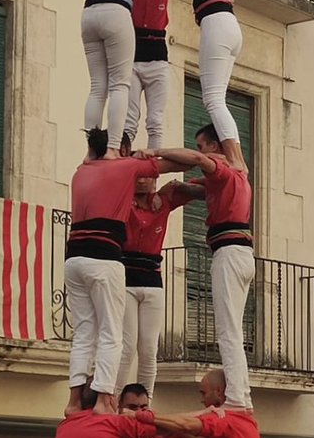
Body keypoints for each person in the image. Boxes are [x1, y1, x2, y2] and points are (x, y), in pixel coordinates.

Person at [64, 127, 183, 415]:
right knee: (112, 334)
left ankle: (73, 402)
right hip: (104, 258)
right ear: (122, 149)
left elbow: (93, 151)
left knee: (83, 333)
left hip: (74, 258)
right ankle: (106, 400)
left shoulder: (81, 171)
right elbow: (183, 162)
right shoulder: (125, 167)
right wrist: (154, 153)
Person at [143, 125, 254, 409]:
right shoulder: (236, 178)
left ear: (215, 147)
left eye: (203, 146)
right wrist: (172, 188)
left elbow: (194, 159)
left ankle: (237, 398)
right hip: (241, 254)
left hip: (228, 254)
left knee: (228, 332)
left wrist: (154, 153)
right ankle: (241, 394)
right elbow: (192, 189)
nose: (201, 152)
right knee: (233, 331)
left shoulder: (220, 166)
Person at [81, 0, 198, 153]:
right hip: (116, 13)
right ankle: (113, 149)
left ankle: (91, 151)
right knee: (119, 86)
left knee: (97, 87)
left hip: (90, 10)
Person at [159, 0, 248, 173]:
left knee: (213, 99)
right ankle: (237, 158)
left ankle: (235, 158)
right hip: (227, 24)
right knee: (216, 97)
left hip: (216, 23)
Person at [114, 175, 204, 398]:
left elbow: (206, 186)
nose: (143, 181)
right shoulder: (122, 201)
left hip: (153, 283)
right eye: (139, 176)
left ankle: (147, 403)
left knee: (149, 349)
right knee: (126, 346)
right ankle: (112, 401)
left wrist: (174, 184)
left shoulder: (163, 201)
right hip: (125, 281)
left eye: (149, 177)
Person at [123, 0, 188, 152]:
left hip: (157, 57)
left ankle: (152, 172)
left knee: (155, 121)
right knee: (129, 120)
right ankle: (122, 163)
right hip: (132, 56)